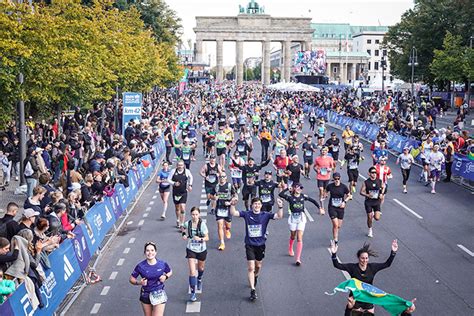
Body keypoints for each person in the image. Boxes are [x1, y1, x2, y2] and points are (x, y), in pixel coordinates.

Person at [229, 197, 284, 301]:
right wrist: (232, 204)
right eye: (255, 204)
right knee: (251, 268)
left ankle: (256, 277)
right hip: (249, 244)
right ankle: (253, 290)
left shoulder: (265, 215)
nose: (257, 206)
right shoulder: (247, 214)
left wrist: (280, 206)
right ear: (252, 205)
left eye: (259, 204)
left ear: (261, 205)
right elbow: (234, 213)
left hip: (261, 245)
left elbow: (279, 216)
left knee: (258, 266)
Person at [330, 239, 398, 315]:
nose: (364, 260)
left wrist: (393, 252)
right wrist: (334, 253)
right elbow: (337, 265)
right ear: (358, 258)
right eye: (362, 258)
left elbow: (387, 264)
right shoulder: (352, 267)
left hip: (368, 298)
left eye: (366, 258)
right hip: (356, 298)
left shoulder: (372, 267)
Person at [279, 183, 322, 265]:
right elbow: (281, 194)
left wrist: (319, 208)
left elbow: (312, 200)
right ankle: (290, 247)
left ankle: (298, 258)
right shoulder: (290, 197)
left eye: (301, 188)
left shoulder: (303, 196)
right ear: (294, 188)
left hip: (301, 218)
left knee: (299, 238)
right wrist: (288, 189)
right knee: (293, 236)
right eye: (298, 187)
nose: (299, 189)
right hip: (293, 218)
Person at [130, 242, 172, 316]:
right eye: (147, 250)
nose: (150, 253)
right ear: (145, 252)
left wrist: (166, 277)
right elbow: (131, 279)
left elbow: (170, 271)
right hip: (146, 294)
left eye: (152, 250)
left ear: (156, 252)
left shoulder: (162, 264)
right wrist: (140, 282)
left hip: (158, 293)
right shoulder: (140, 266)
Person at [181, 207, 209, 302]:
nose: (195, 216)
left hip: (201, 249)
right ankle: (193, 293)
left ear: (199, 215)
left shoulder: (202, 225)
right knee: (192, 272)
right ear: (191, 215)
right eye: (193, 214)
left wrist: (200, 239)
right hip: (191, 249)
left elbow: (207, 238)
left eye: (196, 214)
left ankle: (200, 278)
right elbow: (183, 227)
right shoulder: (188, 223)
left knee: (200, 268)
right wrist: (183, 235)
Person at [213, 174, 236, 251]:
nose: (222, 178)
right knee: (220, 225)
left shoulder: (229, 186)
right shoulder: (216, 186)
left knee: (228, 224)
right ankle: (222, 243)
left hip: (227, 209)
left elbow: (235, 196)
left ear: (226, 178)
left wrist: (230, 203)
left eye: (223, 177)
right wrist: (214, 198)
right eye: (220, 177)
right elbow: (211, 196)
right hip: (219, 208)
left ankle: (227, 229)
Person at [167, 160, 193, 228]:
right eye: (179, 165)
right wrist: (174, 183)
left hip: (184, 192)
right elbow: (168, 179)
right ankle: (178, 219)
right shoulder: (173, 171)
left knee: (183, 208)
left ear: (183, 165)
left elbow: (191, 177)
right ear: (177, 165)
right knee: (177, 208)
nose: (180, 166)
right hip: (175, 192)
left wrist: (190, 185)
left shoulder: (187, 171)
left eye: (181, 165)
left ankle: (182, 223)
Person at [326, 172, 350, 244]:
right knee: (335, 225)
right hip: (332, 207)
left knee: (338, 226)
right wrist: (325, 195)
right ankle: (335, 239)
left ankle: (335, 234)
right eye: (335, 179)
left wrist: (344, 202)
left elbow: (349, 195)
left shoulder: (343, 187)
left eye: (338, 179)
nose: (337, 180)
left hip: (340, 208)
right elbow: (325, 192)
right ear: (333, 179)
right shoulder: (330, 186)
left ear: (340, 178)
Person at [360, 167, 384, 238]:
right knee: (369, 217)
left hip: (376, 202)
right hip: (369, 202)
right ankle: (370, 229)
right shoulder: (366, 182)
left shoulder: (379, 181)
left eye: (375, 173)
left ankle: (373, 215)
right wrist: (367, 195)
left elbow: (383, 187)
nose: (374, 174)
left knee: (377, 218)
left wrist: (381, 194)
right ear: (369, 174)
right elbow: (361, 192)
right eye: (372, 173)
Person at [314, 146, 335, 212]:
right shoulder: (317, 159)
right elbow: (314, 167)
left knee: (326, 190)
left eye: (325, 151)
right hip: (320, 176)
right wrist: (317, 170)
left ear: (327, 151)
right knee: (321, 189)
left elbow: (332, 167)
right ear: (321, 151)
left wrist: (330, 169)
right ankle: (322, 206)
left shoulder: (330, 159)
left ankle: (323, 195)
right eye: (322, 151)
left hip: (327, 177)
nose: (323, 152)